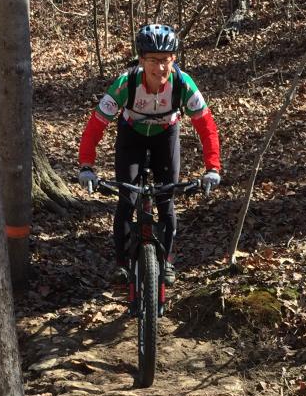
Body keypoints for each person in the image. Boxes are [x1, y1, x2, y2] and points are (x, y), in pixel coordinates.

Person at [78, 24, 222, 286]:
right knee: (127, 198)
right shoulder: (126, 83)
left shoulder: (183, 83)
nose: (160, 68)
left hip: (166, 135)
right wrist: (86, 164)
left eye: (165, 60)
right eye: (153, 61)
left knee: (166, 200)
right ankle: (121, 264)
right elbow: (96, 124)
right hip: (131, 136)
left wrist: (212, 167)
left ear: (174, 59)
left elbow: (206, 126)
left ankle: (166, 262)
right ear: (142, 60)